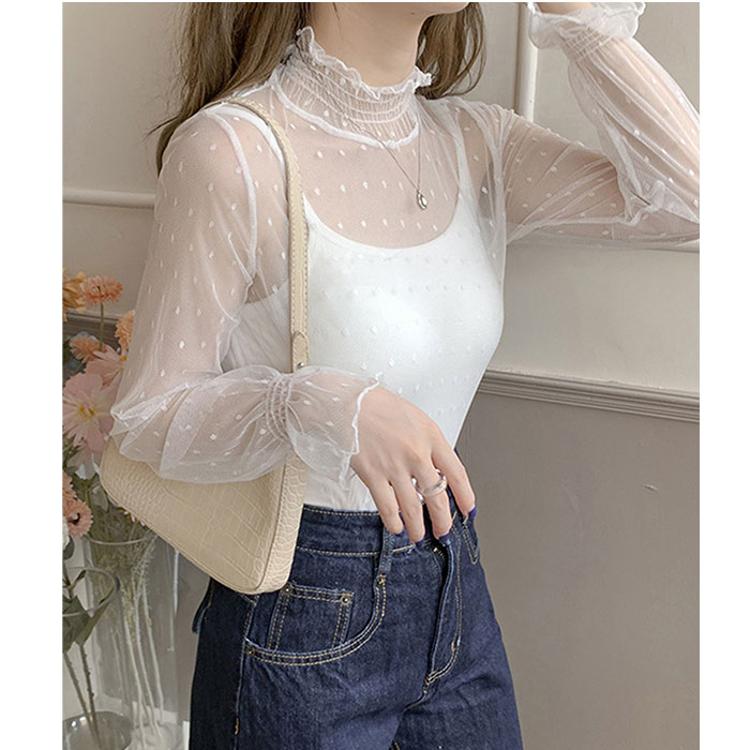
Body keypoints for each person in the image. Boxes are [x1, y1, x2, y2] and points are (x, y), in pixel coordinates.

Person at [108, 2, 699, 747]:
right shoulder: (234, 149)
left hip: (454, 580)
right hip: (302, 604)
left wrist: (577, 13)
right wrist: (319, 403)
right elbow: (148, 416)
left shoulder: (476, 143)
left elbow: (695, 200)